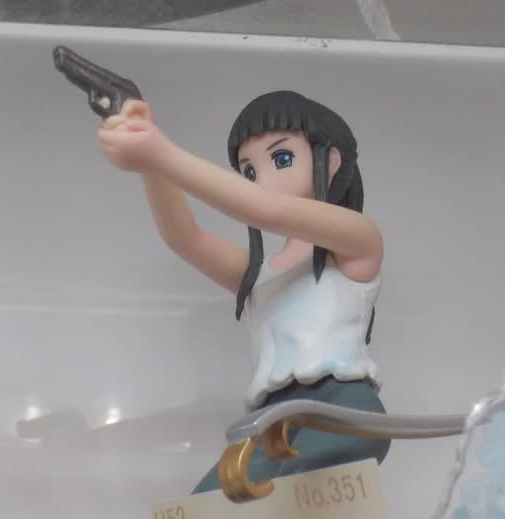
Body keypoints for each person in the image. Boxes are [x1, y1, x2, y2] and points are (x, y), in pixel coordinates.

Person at [97, 90, 390, 492]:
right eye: (249, 172)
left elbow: (265, 209)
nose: (263, 180)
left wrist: (160, 154)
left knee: (280, 508)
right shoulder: (259, 275)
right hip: (274, 422)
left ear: (332, 160)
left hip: (340, 408)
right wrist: (151, 164)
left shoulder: (358, 241)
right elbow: (185, 238)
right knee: (206, 508)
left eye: (281, 159)